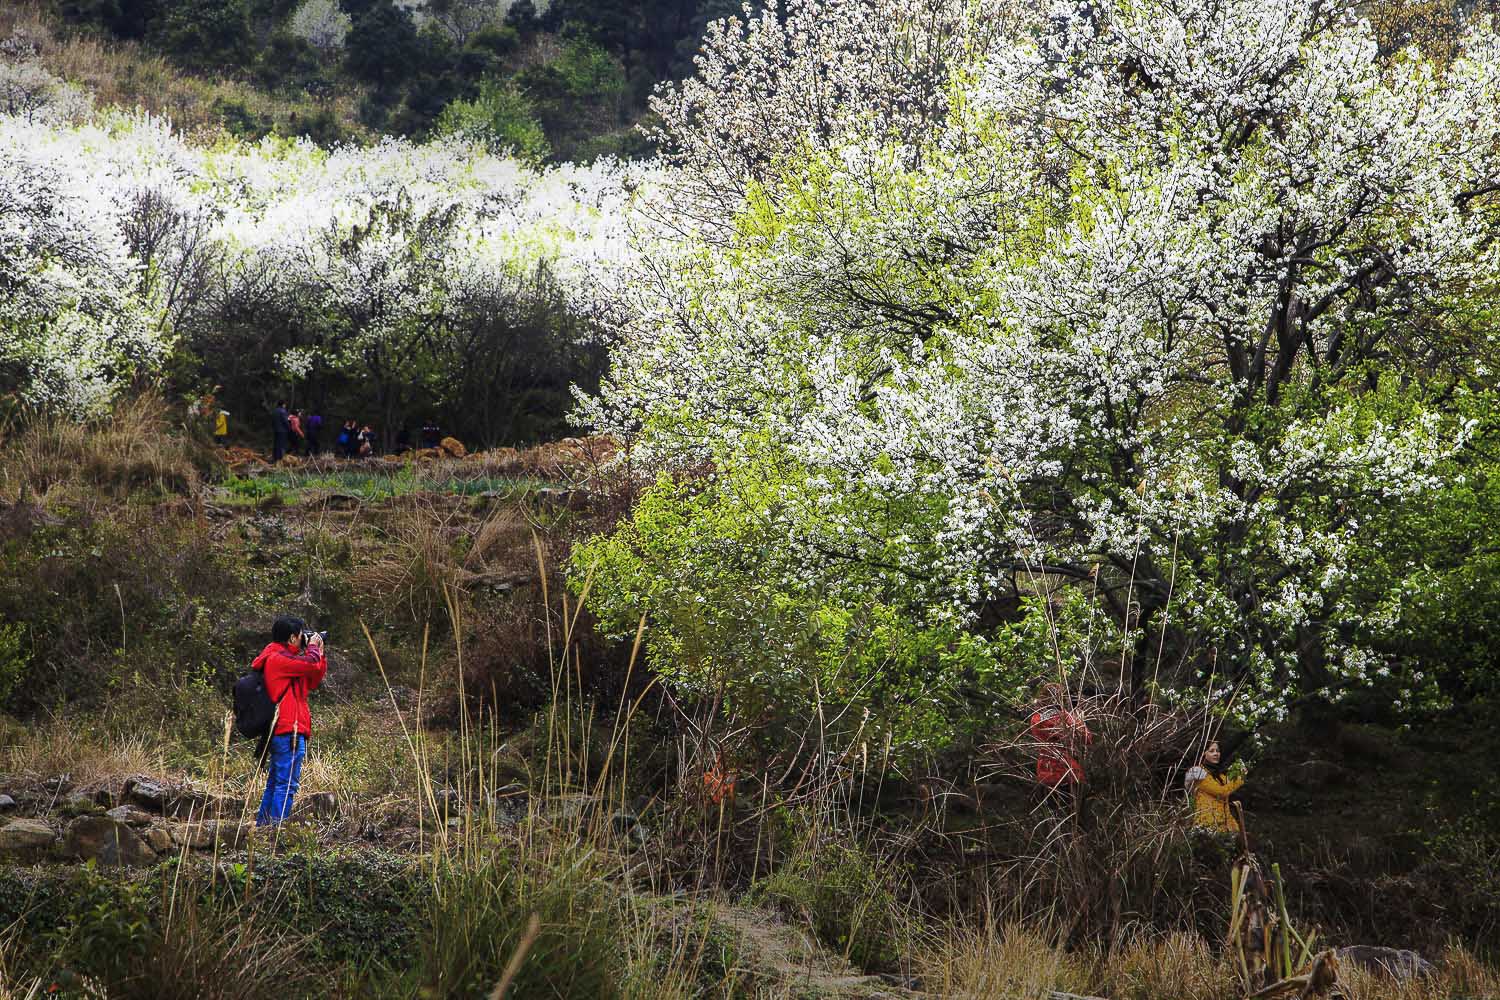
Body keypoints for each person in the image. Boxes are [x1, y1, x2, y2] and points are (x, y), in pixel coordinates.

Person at [252, 616, 327, 826]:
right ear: (293, 637)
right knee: (287, 785)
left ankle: (263, 830)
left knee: (276, 783)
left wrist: (319, 651)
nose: (305, 638)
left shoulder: (289, 660)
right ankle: (276, 832)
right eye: (302, 634)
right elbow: (311, 663)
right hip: (288, 731)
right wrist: (313, 648)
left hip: (288, 730)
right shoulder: (278, 659)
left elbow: (313, 678)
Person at [1029, 681, 1092, 799]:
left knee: (1053, 813)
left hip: (1046, 772)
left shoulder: (1035, 718)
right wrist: (1078, 719)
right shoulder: (1066, 717)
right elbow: (1087, 739)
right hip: (1070, 773)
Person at [1185, 740, 1245, 833]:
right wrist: (1238, 780)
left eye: (1217, 751)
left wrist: (1238, 773)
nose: (1216, 753)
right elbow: (1221, 792)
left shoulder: (1219, 776)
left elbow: (1225, 798)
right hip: (1206, 827)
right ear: (1203, 753)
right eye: (1211, 751)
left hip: (1222, 826)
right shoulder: (1199, 774)